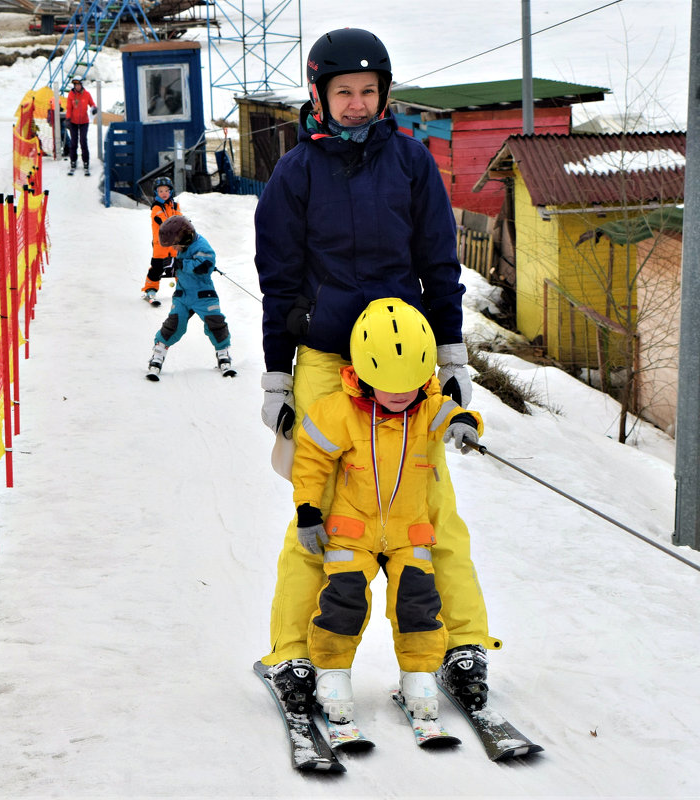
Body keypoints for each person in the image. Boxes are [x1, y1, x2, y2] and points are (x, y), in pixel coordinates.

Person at [252, 28, 500, 717]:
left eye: (368, 92)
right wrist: (278, 377)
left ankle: (460, 645)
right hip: (330, 358)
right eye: (344, 93)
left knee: (430, 508)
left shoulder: (413, 164)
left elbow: (439, 266)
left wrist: (450, 359)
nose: (357, 104)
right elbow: (279, 281)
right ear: (320, 97)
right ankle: (293, 655)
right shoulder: (294, 175)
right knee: (323, 514)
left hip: (406, 364)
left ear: (384, 94)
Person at [292, 298, 484, 723]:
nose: (400, 396)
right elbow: (310, 463)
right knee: (342, 605)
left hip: (409, 535)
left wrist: (466, 424)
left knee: (418, 607)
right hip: (350, 533)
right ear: (362, 372)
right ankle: (332, 672)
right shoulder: (337, 412)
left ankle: (418, 675)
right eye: (389, 385)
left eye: (409, 385)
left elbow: (455, 413)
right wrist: (308, 509)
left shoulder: (428, 407)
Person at [146, 215, 234, 381]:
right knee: (173, 324)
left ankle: (223, 353)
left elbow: (204, 266)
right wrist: (170, 268)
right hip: (182, 294)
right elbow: (179, 266)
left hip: (203, 294)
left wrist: (180, 265)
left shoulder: (202, 245)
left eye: (176, 245)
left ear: (185, 238)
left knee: (215, 322)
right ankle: (158, 354)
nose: (176, 249)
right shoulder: (183, 247)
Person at [141, 176, 180, 306]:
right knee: (157, 268)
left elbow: (179, 218)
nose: (164, 193)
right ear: (156, 193)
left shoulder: (175, 205)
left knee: (178, 267)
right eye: (161, 191)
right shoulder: (156, 208)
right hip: (161, 245)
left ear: (171, 192)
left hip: (175, 244)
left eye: (166, 190)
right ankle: (150, 289)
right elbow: (164, 221)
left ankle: (183, 289)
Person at [63, 76, 97, 175]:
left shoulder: (86, 94)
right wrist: (68, 118)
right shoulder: (71, 95)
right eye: (75, 85)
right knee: (73, 142)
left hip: (84, 122)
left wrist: (94, 108)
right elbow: (69, 108)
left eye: (78, 85)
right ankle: (73, 161)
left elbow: (92, 104)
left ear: (81, 85)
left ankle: (86, 162)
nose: (77, 87)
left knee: (83, 141)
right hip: (73, 122)